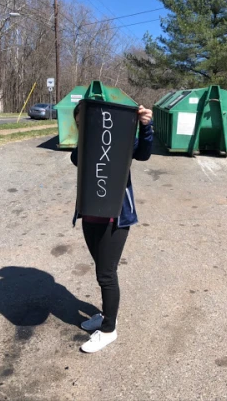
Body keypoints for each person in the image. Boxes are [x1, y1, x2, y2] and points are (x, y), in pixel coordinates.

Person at [70, 103, 153, 353]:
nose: (83, 126)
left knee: (106, 274)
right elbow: (76, 159)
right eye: (80, 122)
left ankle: (108, 330)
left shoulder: (122, 143)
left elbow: (144, 152)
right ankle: (108, 314)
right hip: (89, 218)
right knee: (101, 269)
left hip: (115, 220)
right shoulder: (83, 147)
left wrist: (145, 126)